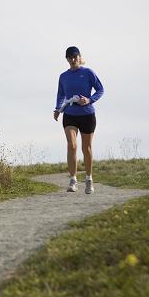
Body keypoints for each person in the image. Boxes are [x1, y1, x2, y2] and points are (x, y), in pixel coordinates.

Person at [53, 46, 104, 193]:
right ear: (67, 59)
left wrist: (89, 100)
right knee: (72, 145)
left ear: (79, 57)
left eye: (75, 56)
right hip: (70, 114)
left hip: (87, 114)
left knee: (86, 148)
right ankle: (73, 180)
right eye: (70, 57)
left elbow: (100, 89)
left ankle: (89, 179)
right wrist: (57, 109)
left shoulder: (88, 73)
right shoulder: (63, 76)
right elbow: (60, 94)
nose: (73, 59)